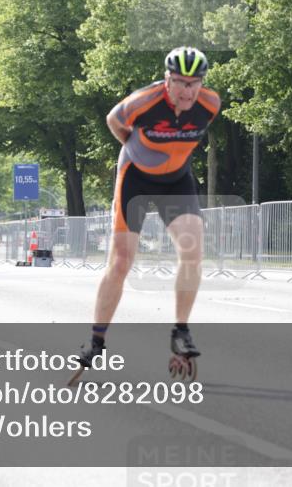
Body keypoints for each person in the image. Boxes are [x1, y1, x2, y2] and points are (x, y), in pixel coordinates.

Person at [72, 47, 218, 384]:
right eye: (180, 82)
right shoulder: (144, 101)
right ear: (167, 79)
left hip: (176, 180)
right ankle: (96, 341)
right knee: (122, 261)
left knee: (193, 252)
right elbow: (113, 120)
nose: (188, 91)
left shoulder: (210, 104)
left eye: (194, 83)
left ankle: (180, 331)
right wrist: (136, 148)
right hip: (136, 177)